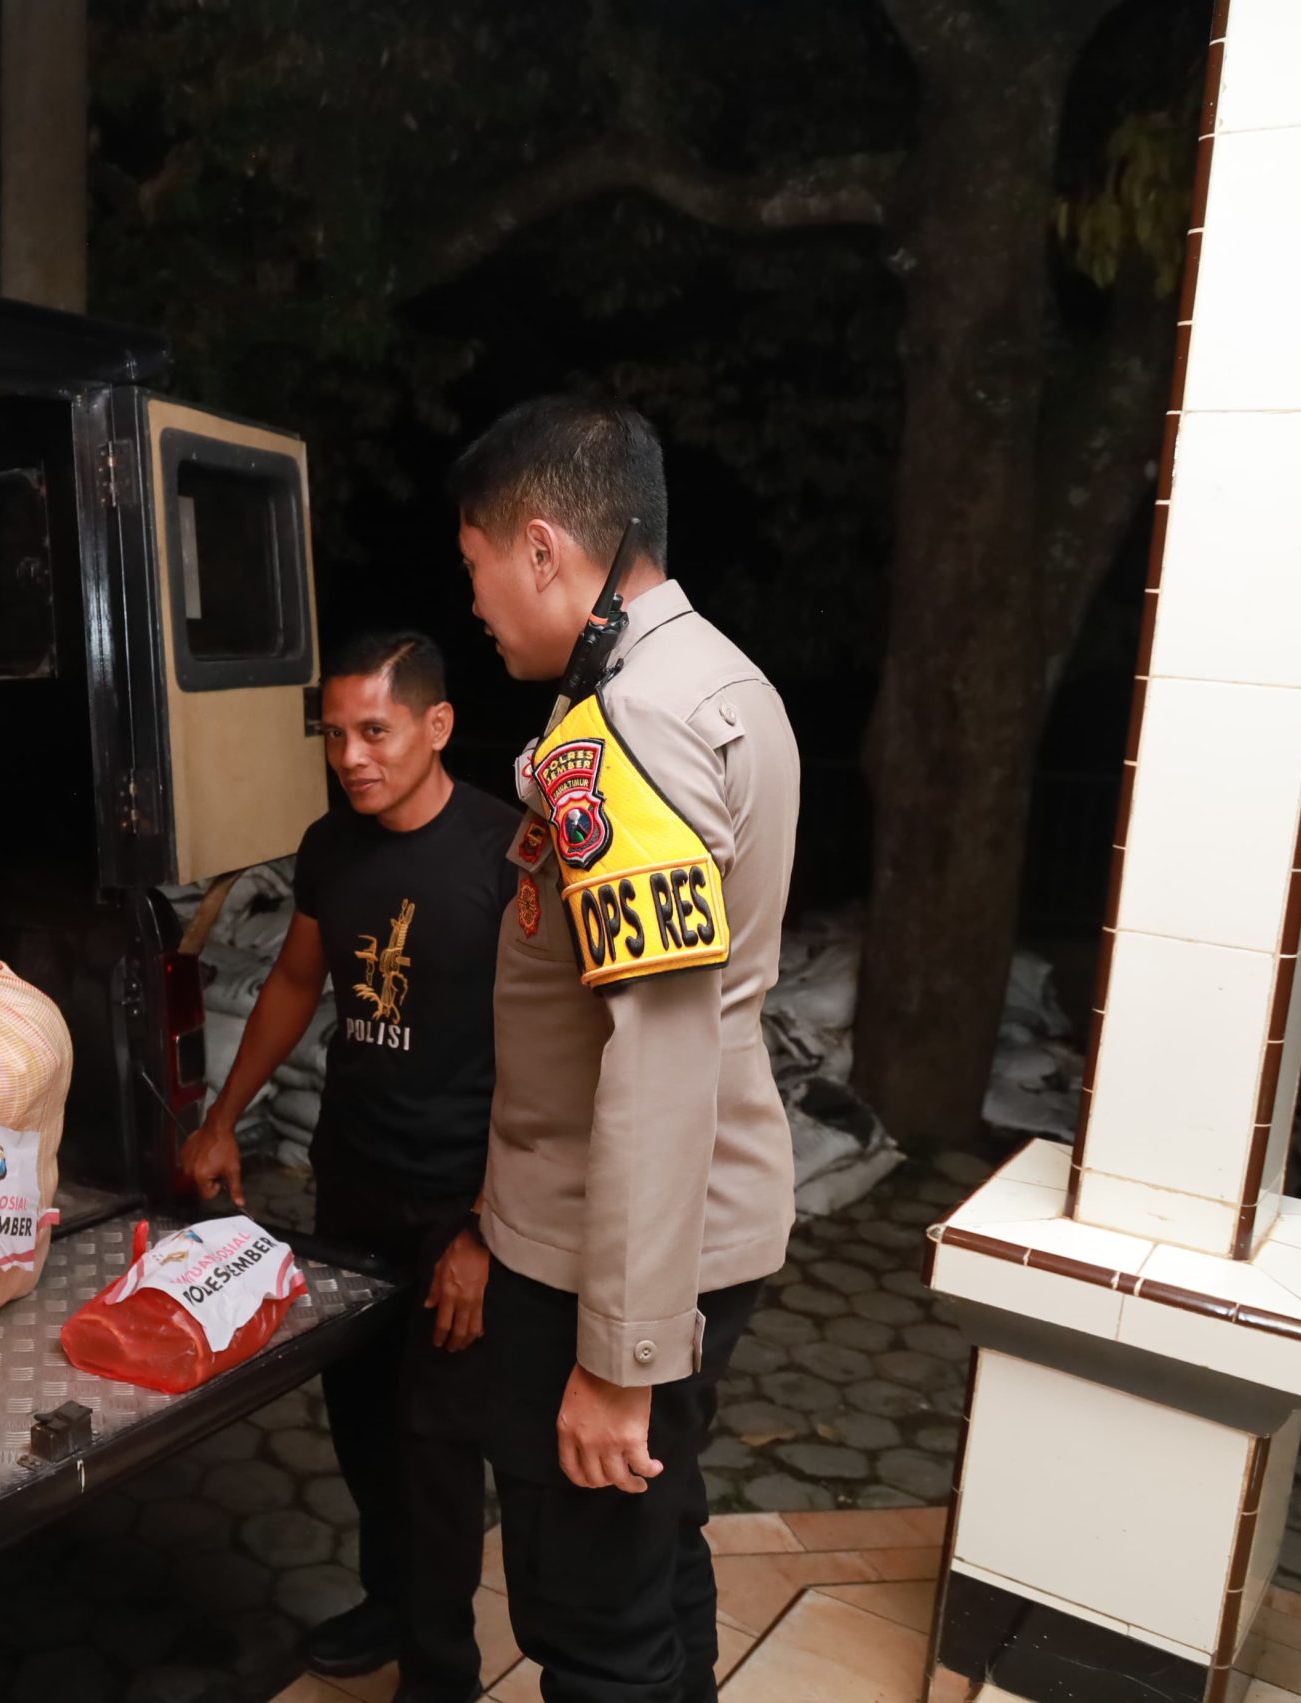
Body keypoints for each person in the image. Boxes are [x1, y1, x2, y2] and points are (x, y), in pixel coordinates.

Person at [451, 395, 799, 1702]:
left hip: (612, 1255)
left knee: (590, 1619)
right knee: (656, 1555)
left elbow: (654, 1053)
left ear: (542, 547)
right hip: (687, 1225)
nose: (476, 606)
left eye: (477, 566)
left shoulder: (630, 722)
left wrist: (620, 1358)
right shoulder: (722, 678)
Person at [179, 631, 518, 1703]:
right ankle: (390, 1600)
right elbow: (294, 980)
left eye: (375, 730)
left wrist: (485, 1228)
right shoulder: (331, 844)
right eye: (334, 735)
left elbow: (547, 1058)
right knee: (363, 1417)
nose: (351, 757)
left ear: (437, 725)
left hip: (458, 1196)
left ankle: (442, 1670)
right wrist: (222, 1117)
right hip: (355, 1178)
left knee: (435, 1440)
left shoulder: (505, 854)